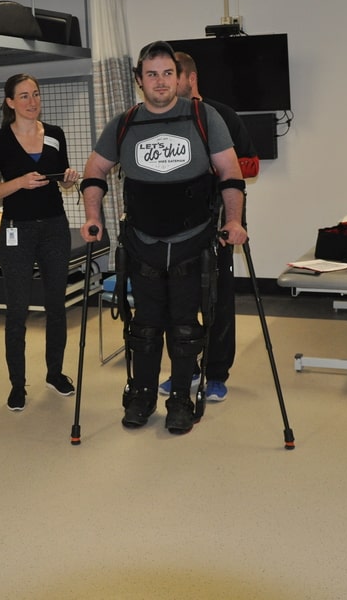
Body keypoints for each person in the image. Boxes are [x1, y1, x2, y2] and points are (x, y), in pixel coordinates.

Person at [79, 41, 247, 435]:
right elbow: (94, 170)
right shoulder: (123, 123)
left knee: (186, 326)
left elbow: (231, 173)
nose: (160, 81)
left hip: (193, 241)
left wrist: (234, 221)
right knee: (146, 326)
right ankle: (141, 395)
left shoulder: (204, 117)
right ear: (139, 80)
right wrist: (92, 216)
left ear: (180, 77)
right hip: (143, 241)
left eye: (167, 73)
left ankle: (181, 402)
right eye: (151, 74)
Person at [154, 50, 261, 402]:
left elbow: (251, 165)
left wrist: (211, 169)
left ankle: (216, 373)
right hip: (177, 226)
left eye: (172, 76)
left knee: (218, 300)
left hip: (219, 222)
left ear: (190, 79)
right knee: (178, 302)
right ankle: (186, 368)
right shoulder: (163, 119)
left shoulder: (221, 116)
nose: (165, 84)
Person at [0, 73, 81, 412]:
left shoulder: (54, 135)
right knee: (17, 311)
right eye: (23, 96)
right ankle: (18, 385)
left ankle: (55, 373)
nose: (32, 101)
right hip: (17, 231)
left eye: (35, 94)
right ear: (10, 102)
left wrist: (68, 180)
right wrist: (19, 182)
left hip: (54, 227)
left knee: (56, 305)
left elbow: (63, 184)